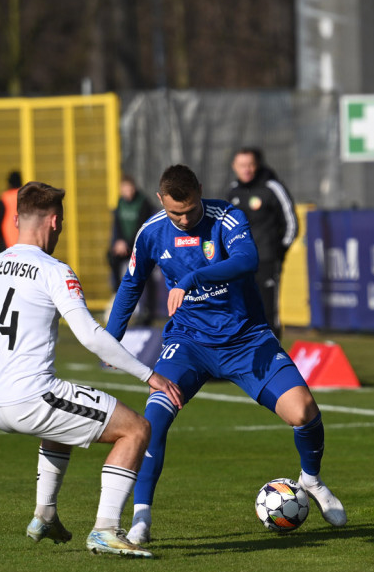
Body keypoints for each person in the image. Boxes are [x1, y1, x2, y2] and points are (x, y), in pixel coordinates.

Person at [0, 181, 184, 559]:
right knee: (135, 429)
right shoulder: (54, 270)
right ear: (54, 221)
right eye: (60, 221)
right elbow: (91, 337)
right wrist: (150, 375)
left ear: (16, 220)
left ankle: (45, 515)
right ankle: (106, 530)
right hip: (31, 398)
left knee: (63, 419)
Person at [106, 164, 345, 545]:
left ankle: (311, 481)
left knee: (304, 412)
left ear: (201, 191)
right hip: (188, 343)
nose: (183, 220)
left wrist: (193, 278)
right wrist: (111, 340)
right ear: (160, 200)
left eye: (189, 209)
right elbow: (131, 285)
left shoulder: (227, 217)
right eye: (174, 213)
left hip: (246, 339)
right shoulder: (151, 232)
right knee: (152, 422)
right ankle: (141, 518)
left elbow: (247, 260)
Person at [226, 147, 299, 340]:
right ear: (235, 167)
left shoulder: (272, 188)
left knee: (267, 312)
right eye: (242, 165)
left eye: (250, 165)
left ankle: (275, 359)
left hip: (266, 259)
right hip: (240, 262)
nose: (246, 169)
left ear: (256, 165)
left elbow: (291, 222)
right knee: (242, 311)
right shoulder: (233, 191)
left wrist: (279, 250)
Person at [107, 175, 156, 325]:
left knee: (146, 276)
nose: (127, 192)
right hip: (125, 246)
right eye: (124, 189)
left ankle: (149, 311)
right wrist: (119, 242)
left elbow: (141, 227)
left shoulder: (143, 203)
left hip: (140, 246)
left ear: (134, 188)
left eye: (129, 188)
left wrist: (128, 244)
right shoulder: (120, 203)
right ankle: (118, 293)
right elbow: (118, 226)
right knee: (111, 257)